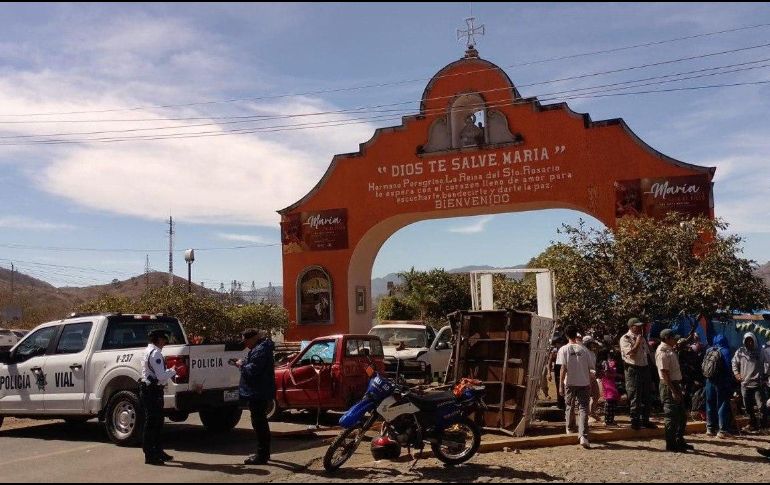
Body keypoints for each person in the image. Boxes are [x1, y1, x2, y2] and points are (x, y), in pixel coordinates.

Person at [236, 328, 276, 465]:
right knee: (260, 423)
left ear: (253, 338)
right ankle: (263, 453)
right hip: (258, 391)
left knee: (259, 424)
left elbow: (253, 370)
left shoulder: (260, 350)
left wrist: (241, 365)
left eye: (246, 341)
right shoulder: (259, 349)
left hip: (258, 392)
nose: (245, 344)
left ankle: (262, 455)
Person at [140, 329, 178, 466]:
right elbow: (161, 376)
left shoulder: (148, 350)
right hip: (152, 390)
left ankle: (158, 451)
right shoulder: (155, 353)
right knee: (152, 423)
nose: (164, 342)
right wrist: (173, 371)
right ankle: (150, 455)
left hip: (151, 389)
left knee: (158, 422)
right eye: (163, 339)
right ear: (158, 340)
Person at [557, 325, 596, 449]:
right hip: (583, 382)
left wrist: (560, 384)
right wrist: (590, 382)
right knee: (583, 408)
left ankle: (569, 429)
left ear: (566, 335)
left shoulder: (563, 349)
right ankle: (583, 435)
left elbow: (563, 368)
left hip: (569, 382)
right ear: (576, 334)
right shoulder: (584, 350)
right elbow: (591, 368)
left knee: (569, 405)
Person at [656, 330, 693, 452]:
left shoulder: (670, 349)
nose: (675, 340)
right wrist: (673, 390)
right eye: (673, 338)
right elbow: (664, 373)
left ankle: (679, 440)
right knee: (671, 416)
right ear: (667, 338)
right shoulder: (663, 352)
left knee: (681, 415)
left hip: (675, 383)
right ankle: (671, 444)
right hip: (668, 385)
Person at [619, 317, 656, 430]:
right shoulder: (625, 338)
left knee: (647, 395)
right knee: (635, 395)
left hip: (644, 367)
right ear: (631, 327)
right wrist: (638, 342)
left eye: (641, 326)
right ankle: (635, 421)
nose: (640, 328)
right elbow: (631, 353)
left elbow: (648, 353)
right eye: (637, 326)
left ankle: (645, 420)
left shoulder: (642, 337)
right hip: (633, 369)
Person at [731, 332, 768, 433]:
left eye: (751, 340)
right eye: (747, 341)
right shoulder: (740, 352)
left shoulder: (761, 351)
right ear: (744, 341)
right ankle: (752, 424)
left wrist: (765, 374)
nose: (749, 343)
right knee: (747, 407)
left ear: (754, 341)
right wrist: (736, 374)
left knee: (761, 406)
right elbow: (734, 362)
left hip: (758, 384)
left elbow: (767, 363)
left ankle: (764, 426)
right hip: (745, 384)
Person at [705, 334, 735, 438]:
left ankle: (710, 428)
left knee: (710, 403)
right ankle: (722, 430)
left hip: (709, 380)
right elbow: (728, 367)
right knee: (722, 404)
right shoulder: (725, 351)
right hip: (722, 381)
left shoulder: (709, 350)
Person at [582, 336, 602, 421]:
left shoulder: (592, 353)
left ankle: (592, 412)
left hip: (593, 376)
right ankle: (586, 415)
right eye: (591, 343)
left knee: (596, 395)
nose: (593, 345)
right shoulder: (583, 352)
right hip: (586, 376)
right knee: (586, 396)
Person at [600, 349, 621, 426]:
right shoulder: (608, 363)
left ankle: (609, 420)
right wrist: (617, 375)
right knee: (610, 403)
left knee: (610, 402)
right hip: (608, 384)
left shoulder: (607, 362)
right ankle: (608, 421)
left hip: (609, 384)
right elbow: (606, 374)